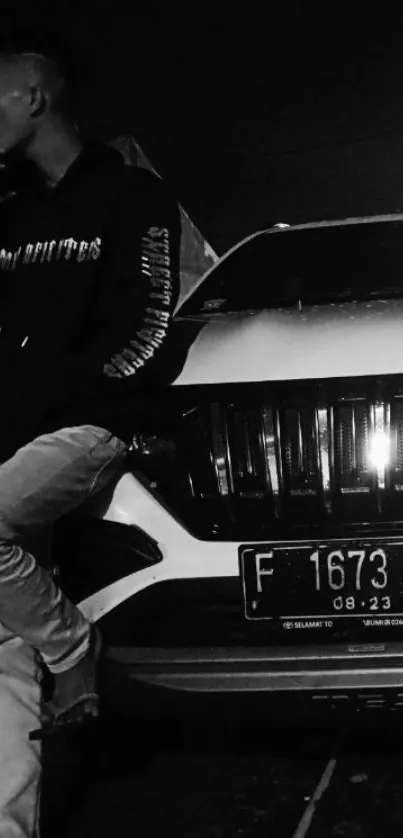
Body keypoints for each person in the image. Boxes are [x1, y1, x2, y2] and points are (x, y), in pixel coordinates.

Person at [0, 38, 181, 838]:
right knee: (4, 640)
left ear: (33, 96)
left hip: (93, 427)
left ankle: (75, 648)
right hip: (13, 438)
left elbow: (148, 324)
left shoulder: (129, 192)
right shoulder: (9, 212)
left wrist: (99, 404)